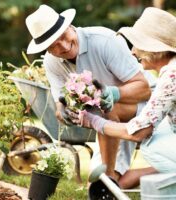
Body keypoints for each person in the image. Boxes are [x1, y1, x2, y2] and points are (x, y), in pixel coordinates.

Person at [67, 7, 176, 199]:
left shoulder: (174, 74)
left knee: (151, 145)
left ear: (152, 48)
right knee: (159, 133)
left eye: (137, 44)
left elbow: (140, 132)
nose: (132, 52)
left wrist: (94, 122)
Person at [25, 4, 159, 188]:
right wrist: (63, 111)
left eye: (63, 36)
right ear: (47, 50)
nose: (63, 46)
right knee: (95, 185)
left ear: (69, 26)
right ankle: (162, 173)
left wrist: (113, 93)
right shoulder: (52, 63)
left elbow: (145, 88)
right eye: (54, 46)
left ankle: (109, 179)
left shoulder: (104, 41)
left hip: (149, 105)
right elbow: (59, 104)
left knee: (105, 110)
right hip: (110, 119)